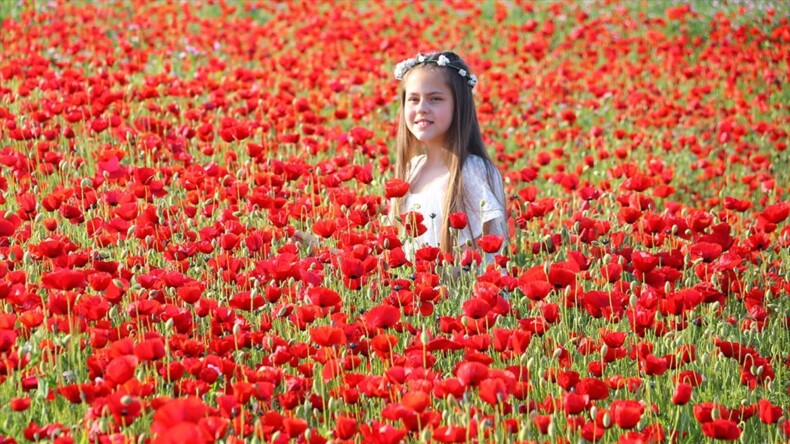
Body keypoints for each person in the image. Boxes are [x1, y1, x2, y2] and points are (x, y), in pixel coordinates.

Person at [389, 51, 508, 264]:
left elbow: (474, 265)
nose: (422, 108)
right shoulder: (410, 171)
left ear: (459, 105)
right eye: (413, 99)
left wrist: (420, 278)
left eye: (435, 99)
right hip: (415, 292)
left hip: (460, 296)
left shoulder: (471, 170)